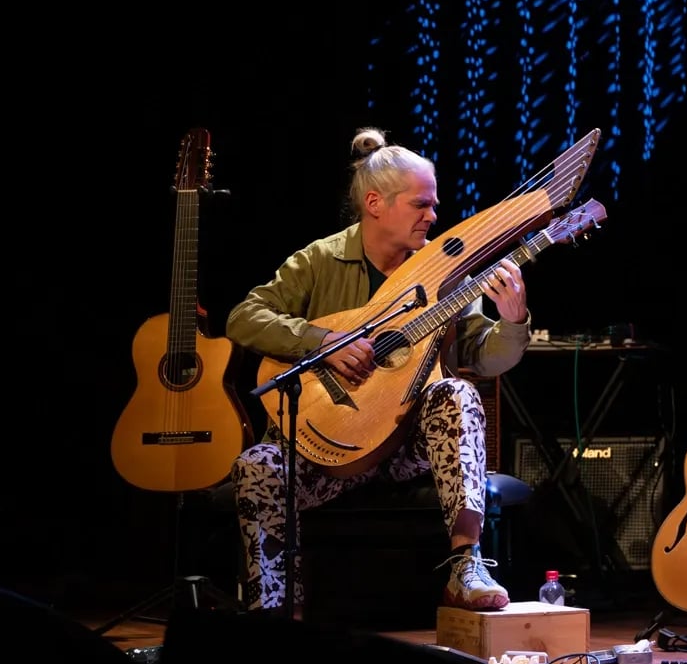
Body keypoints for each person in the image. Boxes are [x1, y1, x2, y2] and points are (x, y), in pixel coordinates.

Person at [226, 127, 533, 614]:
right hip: (326, 446)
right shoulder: (321, 259)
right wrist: (322, 342)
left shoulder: (445, 270)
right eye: (421, 205)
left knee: (456, 394)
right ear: (375, 203)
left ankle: (466, 567)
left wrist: (513, 321)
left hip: (406, 446)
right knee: (256, 467)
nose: (433, 216)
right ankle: (277, 613)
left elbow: (483, 353)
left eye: (434, 205)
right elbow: (244, 317)